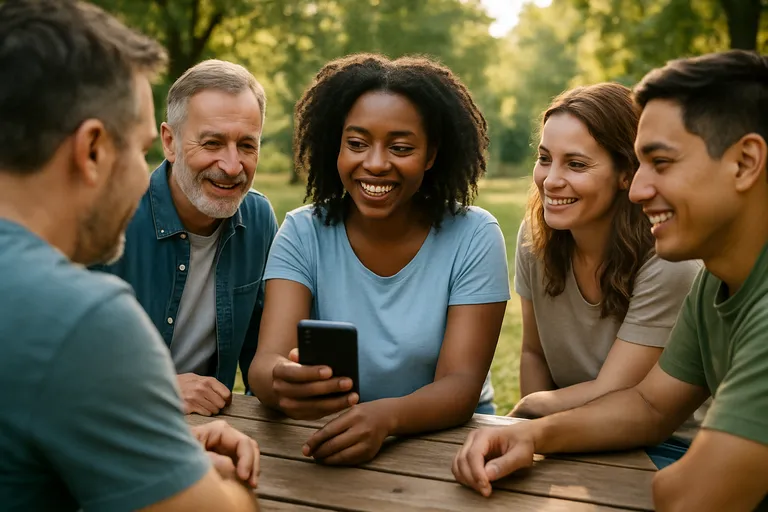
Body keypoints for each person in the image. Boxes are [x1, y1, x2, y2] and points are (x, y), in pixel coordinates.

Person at [452, 49, 768, 512]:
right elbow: (650, 407)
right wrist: (532, 435)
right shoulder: (716, 283)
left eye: (661, 163)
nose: (637, 189)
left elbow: (688, 499)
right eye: (639, 165)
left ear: (744, 163)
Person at [0, 1, 259, 510]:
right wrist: (223, 484)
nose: (147, 178)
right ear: (93, 150)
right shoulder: (82, 318)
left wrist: (159, 451)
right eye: (141, 151)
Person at [249, 53, 510, 465]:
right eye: (356, 144)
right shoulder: (302, 232)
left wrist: (386, 418)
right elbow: (266, 364)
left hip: (447, 445)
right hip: (327, 438)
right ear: (335, 145)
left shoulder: (474, 235)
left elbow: (461, 386)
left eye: (400, 148)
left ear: (431, 155)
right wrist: (281, 381)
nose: (374, 164)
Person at [508, 83, 703, 467]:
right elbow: (534, 353)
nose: (551, 180)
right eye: (545, 158)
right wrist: (532, 439)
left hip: (665, 447)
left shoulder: (669, 260)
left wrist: (530, 411)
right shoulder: (535, 237)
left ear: (626, 173)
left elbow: (616, 390)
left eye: (576, 164)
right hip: (562, 430)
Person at [92, 58, 278, 417]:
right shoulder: (108, 217)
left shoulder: (257, 219)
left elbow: (261, 355)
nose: (232, 166)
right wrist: (154, 388)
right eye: (212, 143)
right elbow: (53, 360)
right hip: (112, 422)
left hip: (210, 429)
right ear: (170, 142)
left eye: (246, 145)